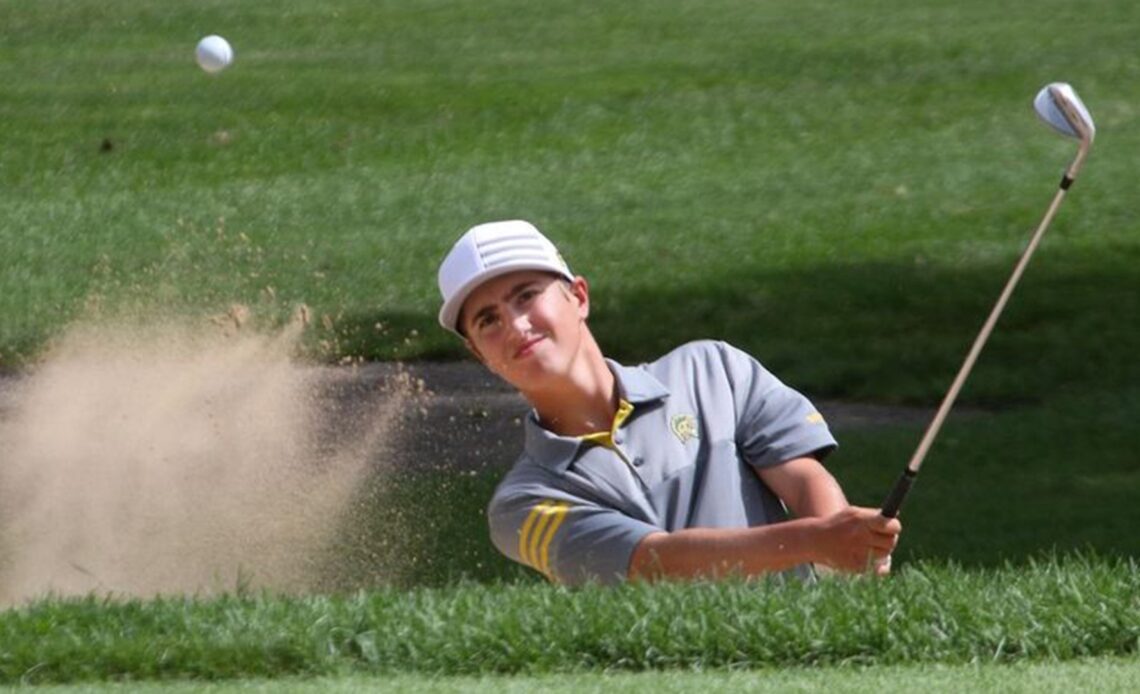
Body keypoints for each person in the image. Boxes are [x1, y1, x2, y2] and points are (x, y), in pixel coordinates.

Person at [436, 219, 901, 585]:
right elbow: (653, 565)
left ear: (578, 297)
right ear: (480, 354)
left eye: (526, 296)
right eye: (488, 320)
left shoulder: (713, 369)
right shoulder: (523, 504)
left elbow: (802, 481)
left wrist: (845, 547)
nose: (516, 326)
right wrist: (816, 541)